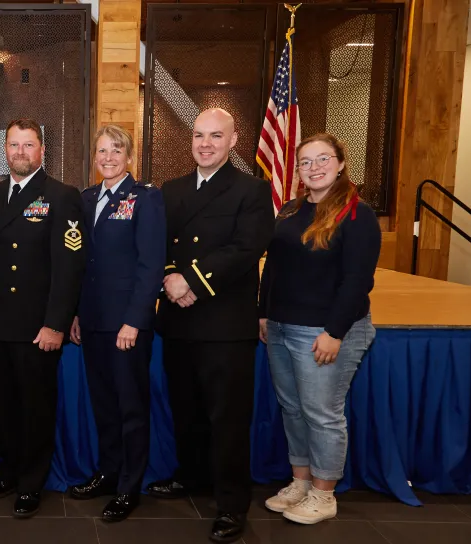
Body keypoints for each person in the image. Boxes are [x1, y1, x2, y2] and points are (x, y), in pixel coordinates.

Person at [148, 108, 274, 543]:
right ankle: (191, 477)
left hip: (224, 325)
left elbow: (245, 249)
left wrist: (192, 281)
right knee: (187, 411)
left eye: (215, 136)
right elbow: (161, 242)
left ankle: (232, 504)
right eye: (199, 135)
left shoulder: (253, 190)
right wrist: (170, 278)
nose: (205, 143)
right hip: (180, 320)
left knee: (228, 419)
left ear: (233, 140)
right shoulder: (173, 189)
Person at [0, 118, 86, 518]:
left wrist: (55, 323)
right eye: (14, 145)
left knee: (35, 408)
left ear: (42, 150)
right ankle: (7, 473)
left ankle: (31, 484)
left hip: (38, 327)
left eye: (28, 145)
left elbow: (69, 267)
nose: (20, 152)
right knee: (3, 405)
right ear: (6, 150)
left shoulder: (62, 196)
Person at [259, 133, 380, 525]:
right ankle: (301, 481)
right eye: (305, 162)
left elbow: (357, 280)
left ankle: (324, 494)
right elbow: (273, 266)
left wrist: (335, 331)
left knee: (322, 414)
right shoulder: (291, 211)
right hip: (279, 327)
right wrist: (264, 314)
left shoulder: (357, 214)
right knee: (293, 409)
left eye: (322, 159)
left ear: (342, 162)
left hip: (324, 332)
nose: (314, 168)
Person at [68, 124, 165, 522]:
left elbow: (150, 265)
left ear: (129, 157)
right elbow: (80, 264)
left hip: (126, 326)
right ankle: (108, 472)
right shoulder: (87, 198)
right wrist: (75, 312)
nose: (108, 158)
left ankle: (129, 485)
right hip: (92, 321)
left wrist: (135, 321)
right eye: (102, 151)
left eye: (116, 151)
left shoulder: (146, 198)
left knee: (130, 408)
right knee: (104, 405)